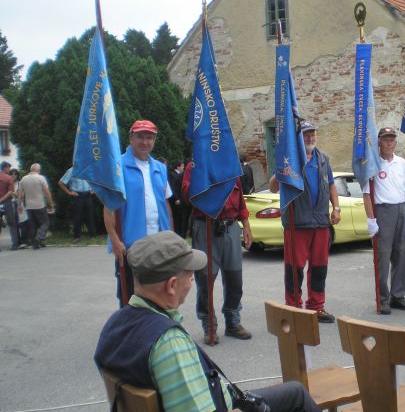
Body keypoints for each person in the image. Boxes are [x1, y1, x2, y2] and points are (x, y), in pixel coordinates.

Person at [94, 231, 321, 412]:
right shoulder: (168, 343)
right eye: (190, 273)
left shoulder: (114, 325)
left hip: (216, 397)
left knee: (294, 392)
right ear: (172, 285)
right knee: (297, 397)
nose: (193, 277)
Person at [268, 120, 340, 323]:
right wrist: (280, 170)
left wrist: (336, 208)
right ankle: (294, 307)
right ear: (300, 137)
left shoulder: (323, 159)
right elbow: (274, 187)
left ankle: (316, 307)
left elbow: (332, 185)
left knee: (319, 268)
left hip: (320, 222)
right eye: (306, 134)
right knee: (295, 269)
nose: (310, 138)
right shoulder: (291, 159)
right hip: (297, 223)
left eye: (313, 134)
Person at [182, 161, 253, 344]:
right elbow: (187, 195)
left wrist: (246, 226)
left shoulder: (230, 166)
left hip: (230, 227)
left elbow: (241, 202)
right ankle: (209, 325)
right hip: (205, 227)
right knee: (205, 280)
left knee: (234, 279)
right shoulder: (195, 167)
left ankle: (233, 322)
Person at [103, 119, 173, 307]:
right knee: (130, 297)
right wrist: (115, 240)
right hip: (131, 244)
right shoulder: (117, 166)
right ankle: (130, 334)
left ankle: (154, 332)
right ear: (131, 138)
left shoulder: (160, 168)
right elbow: (109, 207)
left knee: (159, 292)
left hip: (158, 243)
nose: (145, 141)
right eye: (140, 136)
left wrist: (170, 236)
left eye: (149, 137)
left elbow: (165, 203)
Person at [363, 126, 405, 315]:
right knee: (383, 258)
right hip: (383, 211)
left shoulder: (402, 163)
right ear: (379, 142)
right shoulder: (372, 164)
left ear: (395, 142)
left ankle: (398, 296)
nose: (389, 142)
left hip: (401, 209)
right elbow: (367, 194)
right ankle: (383, 298)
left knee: (402, 255)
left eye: (392, 139)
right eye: (385, 139)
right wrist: (371, 218)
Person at [18, 163, 54, 249]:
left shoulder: (23, 179)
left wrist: (19, 204)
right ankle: (39, 237)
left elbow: (20, 193)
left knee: (33, 225)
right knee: (45, 222)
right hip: (40, 205)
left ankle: (35, 243)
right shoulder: (40, 178)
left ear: (31, 169)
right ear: (38, 170)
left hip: (29, 206)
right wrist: (50, 203)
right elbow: (47, 192)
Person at [58, 167, 96, 243]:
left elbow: (95, 180)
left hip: (88, 195)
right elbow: (60, 183)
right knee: (77, 216)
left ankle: (92, 236)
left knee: (90, 216)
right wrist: (69, 192)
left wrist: (93, 189)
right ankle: (76, 237)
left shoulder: (88, 168)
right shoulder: (72, 170)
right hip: (77, 195)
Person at [0, 161, 19, 250]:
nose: (9, 170)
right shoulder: (8, 178)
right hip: (7, 202)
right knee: (12, 223)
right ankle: (15, 244)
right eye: (8, 168)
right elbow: (10, 192)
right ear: (5, 168)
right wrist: (2, 199)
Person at [168, 160, 187, 238]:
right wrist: (176, 199)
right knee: (177, 218)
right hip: (175, 200)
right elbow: (173, 188)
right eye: (182, 166)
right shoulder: (173, 175)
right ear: (178, 166)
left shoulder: (179, 174)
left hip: (180, 200)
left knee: (181, 218)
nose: (183, 167)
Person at [10, 169, 28, 248]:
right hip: (10, 205)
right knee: (14, 224)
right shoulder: (8, 184)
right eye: (11, 174)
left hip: (19, 204)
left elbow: (22, 195)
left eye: (15, 174)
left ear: (17, 175)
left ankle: (24, 241)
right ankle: (17, 242)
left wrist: (14, 194)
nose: (13, 176)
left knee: (22, 223)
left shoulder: (20, 184)